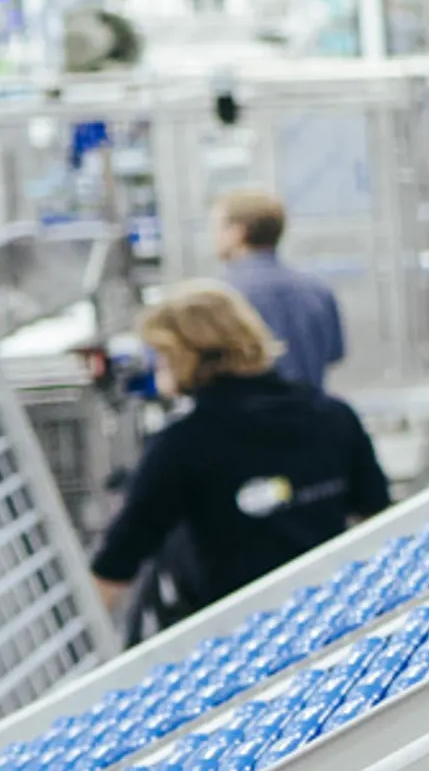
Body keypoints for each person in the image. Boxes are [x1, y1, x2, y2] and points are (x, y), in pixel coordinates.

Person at [93, 282, 387, 633]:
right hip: (331, 621)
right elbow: (378, 520)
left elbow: (117, 563)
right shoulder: (333, 415)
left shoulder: (184, 444)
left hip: (235, 642)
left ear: (181, 355)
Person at [211, 186, 346, 391]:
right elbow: (334, 354)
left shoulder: (221, 297)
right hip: (310, 416)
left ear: (238, 232)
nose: (214, 237)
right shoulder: (318, 290)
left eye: (217, 228)